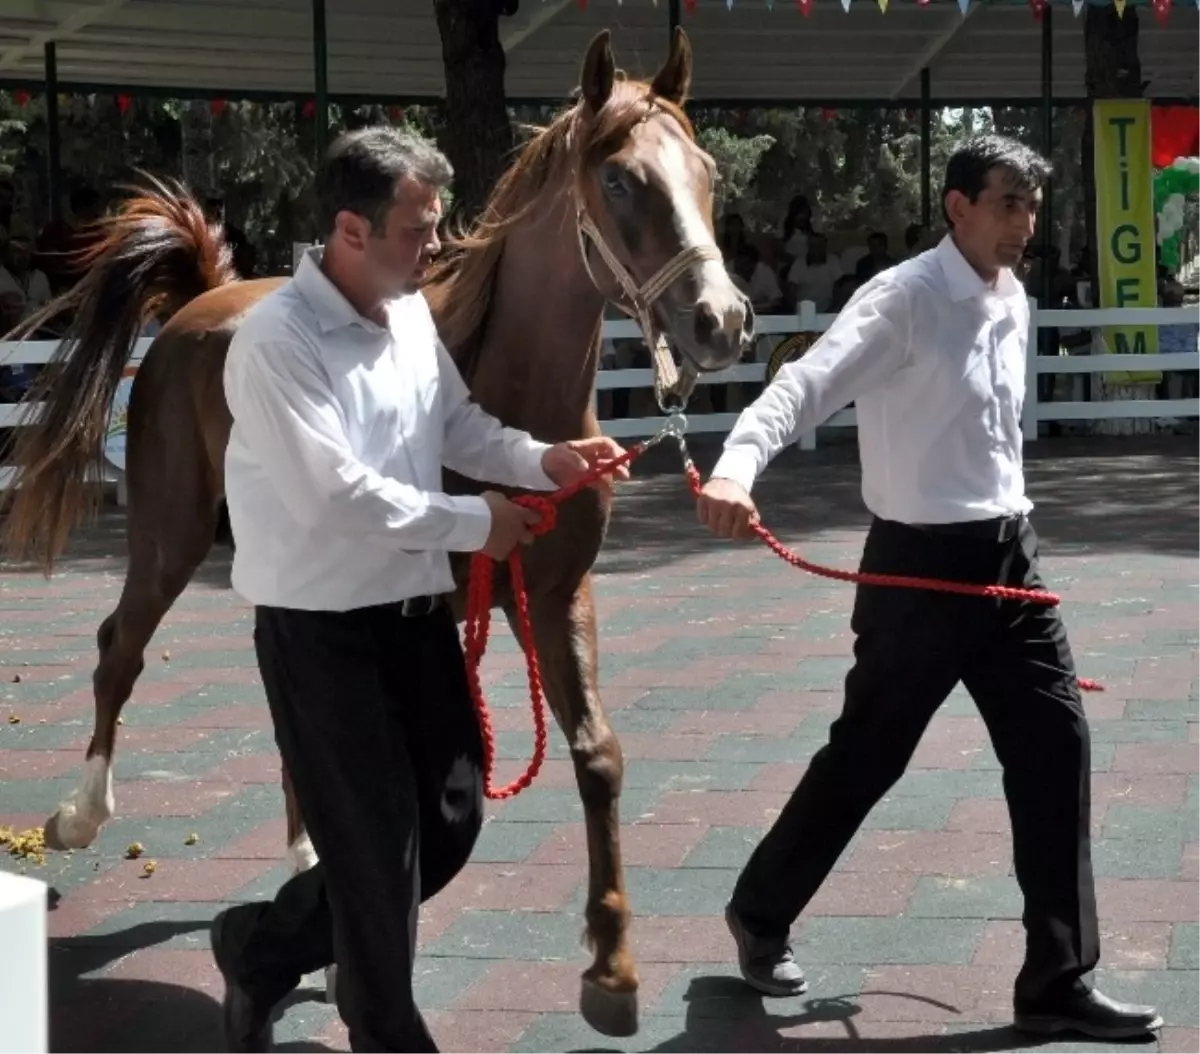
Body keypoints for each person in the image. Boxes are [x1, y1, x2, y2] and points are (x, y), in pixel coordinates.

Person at [695, 135, 1162, 1041]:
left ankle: (1058, 977)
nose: (1024, 225)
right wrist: (735, 467)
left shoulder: (1013, 296)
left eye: (1031, 206)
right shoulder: (903, 299)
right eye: (1007, 205)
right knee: (868, 759)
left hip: (1009, 562)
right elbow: (802, 387)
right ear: (958, 207)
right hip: (915, 570)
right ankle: (760, 911)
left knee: (1057, 747)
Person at [208, 126, 629, 1054]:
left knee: (446, 827)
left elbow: (460, 427)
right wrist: (483, 524)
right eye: (420, 227)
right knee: (374, 864)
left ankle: (260, 948)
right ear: (351, 231)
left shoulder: (406, 315)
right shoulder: (276, 342)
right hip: (321, 637)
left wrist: (546, 460)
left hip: (414, 624)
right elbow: (339, 495)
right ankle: (387, 1025)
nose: (437, 246)